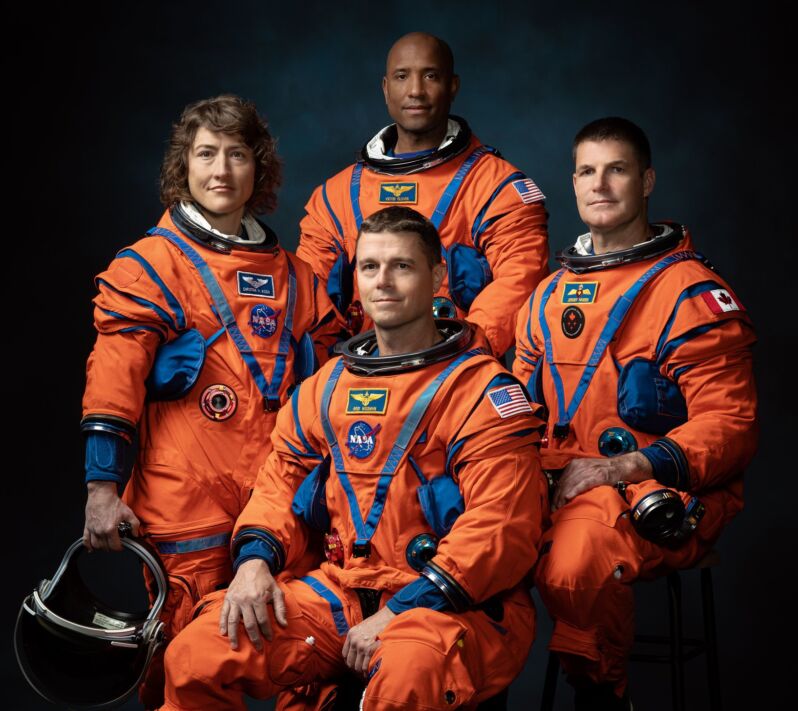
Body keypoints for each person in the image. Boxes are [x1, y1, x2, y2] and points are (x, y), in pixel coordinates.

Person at [159, 206, 547, 710]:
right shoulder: (324, 389)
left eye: (402, 267)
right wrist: (254, 562)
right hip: (341, 592)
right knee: (197, 652)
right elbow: (279, 486)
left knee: (407, 674)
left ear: (437, 277)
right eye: (369, 267)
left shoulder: (482, 391)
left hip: (454, 602)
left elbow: (502, 528)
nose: (382, 282)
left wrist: (401, 610)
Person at [80, 94, 341, 706]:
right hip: (187, 515)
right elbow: (112, 378)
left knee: (298, 666)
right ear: (184, 167)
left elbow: (333, 396)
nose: (221, 170)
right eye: (205, 154)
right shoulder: (151, 266)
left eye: (236, 154)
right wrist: (101, 487)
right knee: (183, 670)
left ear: (260, 168)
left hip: (284, 510)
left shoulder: (297, 278)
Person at [513, 117, 757, 709]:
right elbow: (515, 415)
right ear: (573, 183)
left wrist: (622, 470)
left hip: (655, 490)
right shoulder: (546, 296)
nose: (601, 184)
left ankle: (601, 695)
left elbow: (730, 426)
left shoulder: (690, 293)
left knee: (575, 562)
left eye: (616, 170)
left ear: (646, 180)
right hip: (555, 481)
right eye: (588, 171)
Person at [297, 32, 549, 357]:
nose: (415, 91)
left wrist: (458, 359)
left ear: (452, 86)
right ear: (386, 88)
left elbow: (519, 281)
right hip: (357, 379)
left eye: (430, 76)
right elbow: (307, 296)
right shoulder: (336, 197)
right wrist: (332, 373)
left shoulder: (496, 187)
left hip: (454, 378)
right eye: (402, 77)